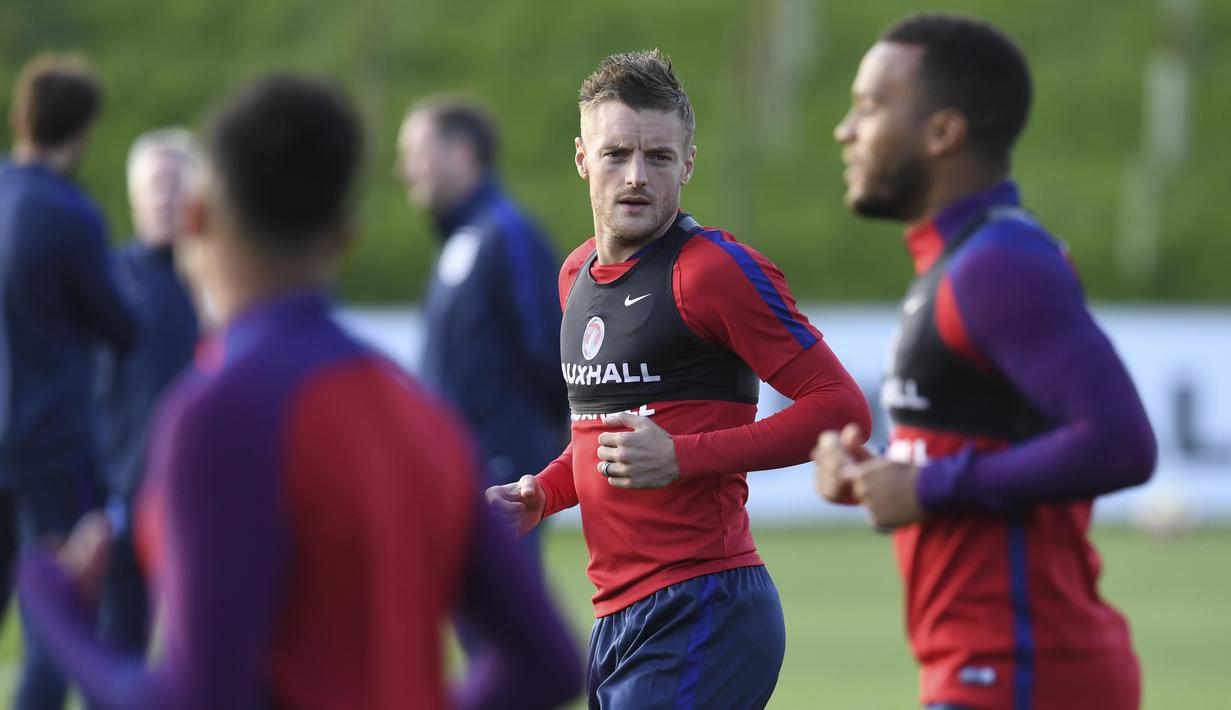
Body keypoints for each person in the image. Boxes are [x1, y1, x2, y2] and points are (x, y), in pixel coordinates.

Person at [18, 75, 583, 710]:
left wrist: (57, 611)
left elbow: (200, 699)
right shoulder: (419, 413)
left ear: (197, 219)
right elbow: (550, 665)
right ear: (343, 239)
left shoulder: (215, 414)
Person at [487, 50, 871, 709]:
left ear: (687, 164)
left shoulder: (714, 272)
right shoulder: (574, 275)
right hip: (616, 617)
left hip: (704, 605)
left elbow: (840, 410)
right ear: (582, 159)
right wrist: (543, 493)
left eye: (658, 157)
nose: (636, 177)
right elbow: (598, 439)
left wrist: (682, 457)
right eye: (616, 155)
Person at [815, 13, 1156, 710]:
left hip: (1021, 674)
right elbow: (979, 445)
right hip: (988, 675)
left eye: (870, 108)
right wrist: (880, 476)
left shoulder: (996, 265)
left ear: (942, 132)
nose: (844, 131)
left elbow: (1120, 443)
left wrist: (930, 487)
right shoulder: (960, 261)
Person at [0, 53, 137, 709]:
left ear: (21, 117)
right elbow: (120, 326)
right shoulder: (69, 214)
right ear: (82, 130)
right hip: (50, 439)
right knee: (54, 620)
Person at [396, 97, 567, 570]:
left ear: (461, 153)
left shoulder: (507, 233)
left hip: (502, 472)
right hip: (461, 470)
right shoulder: (463, 239)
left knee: (502, 630)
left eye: (416, 153)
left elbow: (547, 344)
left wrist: (535, 450)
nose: (404, 170)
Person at [94, 128, 202, 662]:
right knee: (117, 654)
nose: (166, 199)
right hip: (121, 494)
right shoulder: (109, 278)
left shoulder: (219, 284)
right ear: (134, 196)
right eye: (156, 186)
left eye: (178, 185)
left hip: (199, 503)